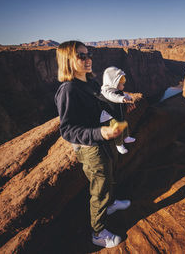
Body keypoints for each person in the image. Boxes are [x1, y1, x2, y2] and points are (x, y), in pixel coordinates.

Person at [54, 41, 130, 248]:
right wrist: (100, 132)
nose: (88, 60)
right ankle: (98, 232)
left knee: (111, 171)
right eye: (81, 56)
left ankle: (111, 204)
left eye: (89, 54)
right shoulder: (68, 90)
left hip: (103, 141)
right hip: (90, 148)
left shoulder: (90, 83)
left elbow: (101, 105)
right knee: (100, 186)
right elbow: (67, 130)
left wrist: (119, 100)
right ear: (67, 60)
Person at [100, 66, 136, 154]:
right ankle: (119, 145)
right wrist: (122, 99)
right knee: (119, 126)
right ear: (113, 82)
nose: (123, 85)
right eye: (121, 83)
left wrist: (128, 97)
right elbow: (113, 97)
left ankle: (126, 137)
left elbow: (122, 94)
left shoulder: (116, 90)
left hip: (116, 114)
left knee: (125, 123)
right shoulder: (106, 91)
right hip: (108, 117)